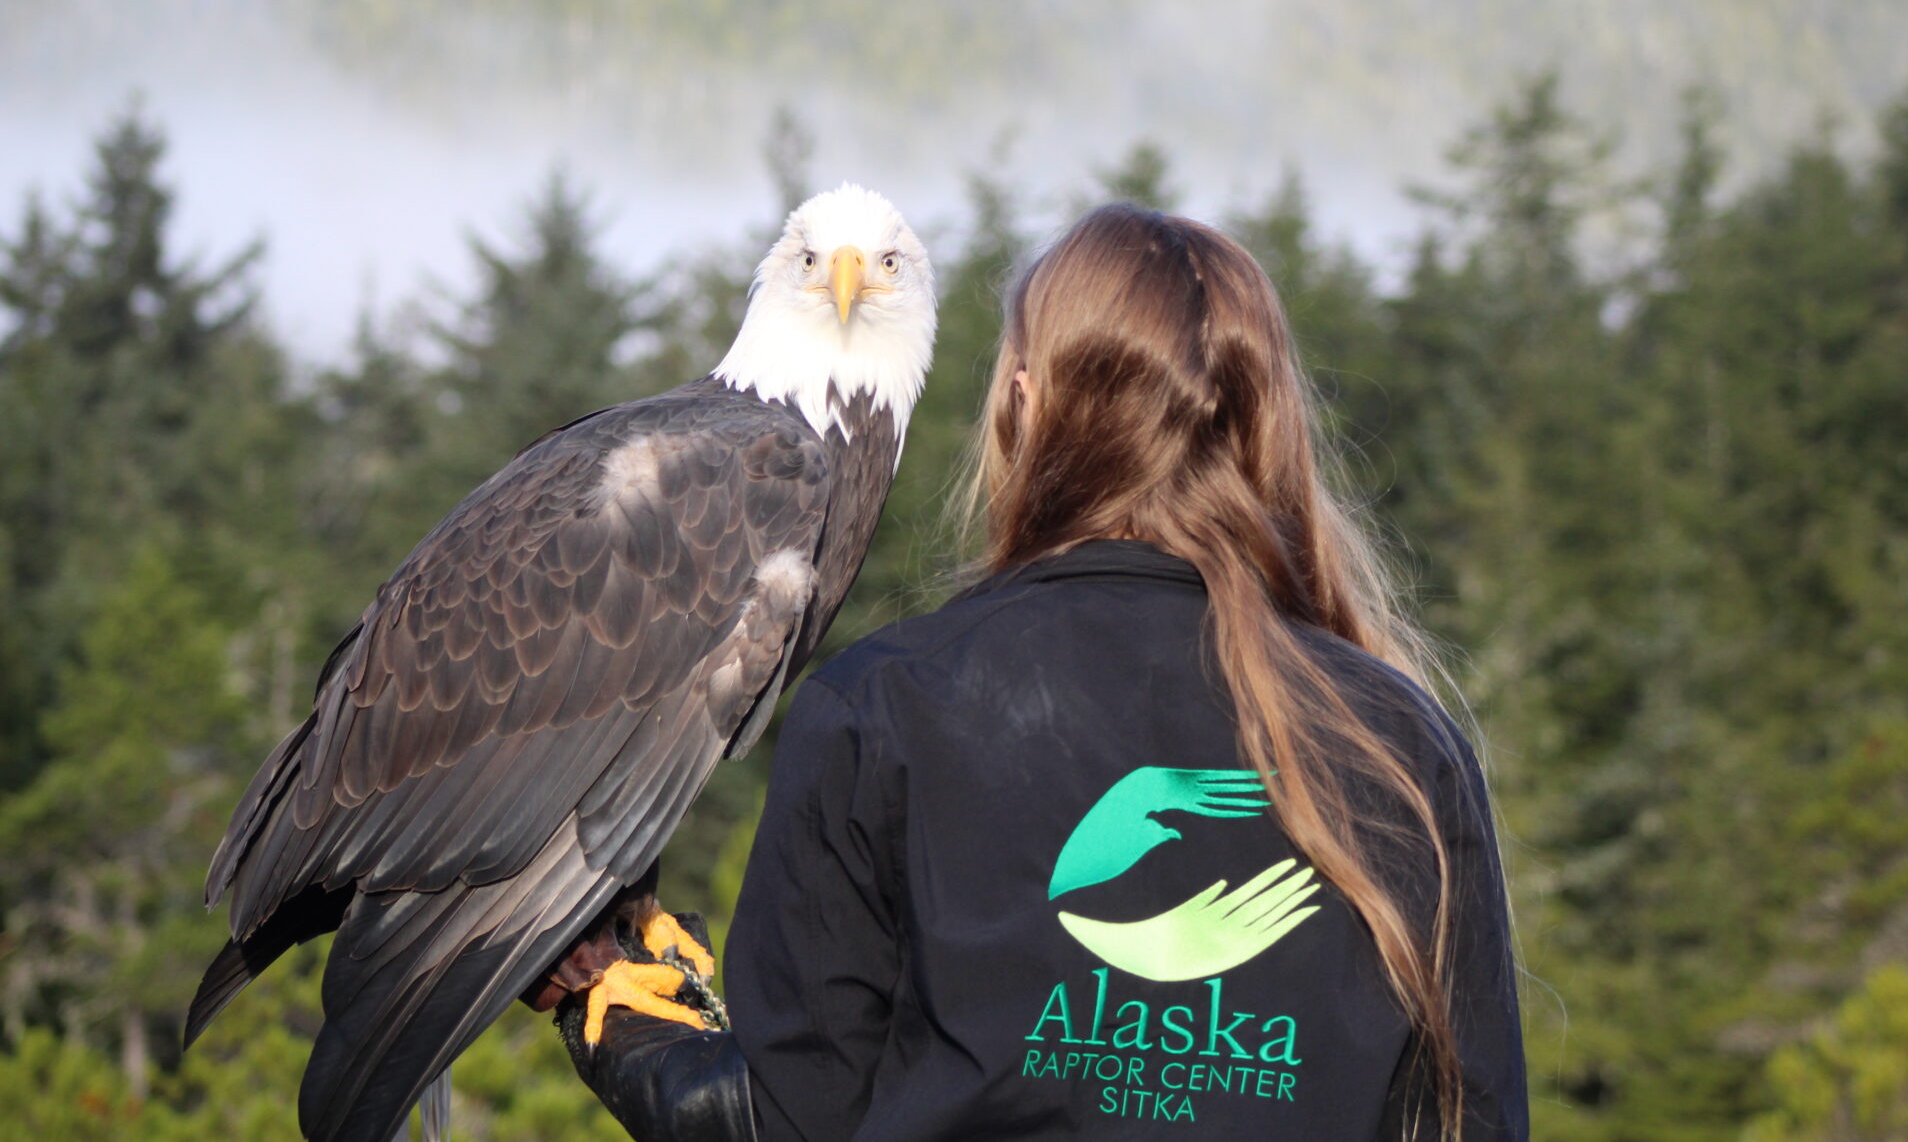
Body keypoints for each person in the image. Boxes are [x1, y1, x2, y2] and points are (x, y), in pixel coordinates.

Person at [545, 203, 1528, 1140]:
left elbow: (792, 1120)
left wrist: (617, 1017)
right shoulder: (1395, 739)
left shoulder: (886, 702)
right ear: (1264, 418)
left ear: (1021, 405)